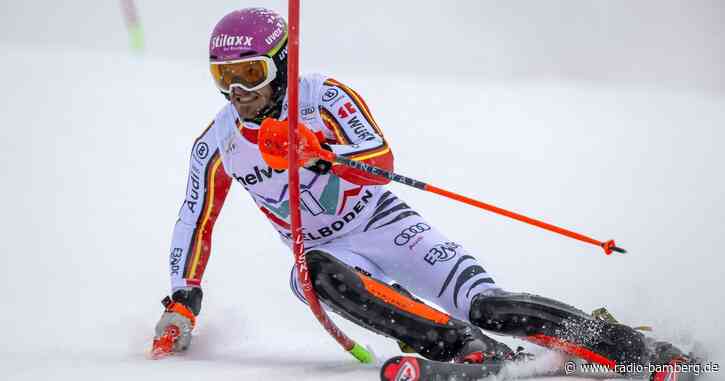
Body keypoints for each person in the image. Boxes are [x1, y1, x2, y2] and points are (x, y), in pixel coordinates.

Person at [153, 7, 696, 380]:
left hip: (386, 225)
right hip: (327, 253)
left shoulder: (322, 97)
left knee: (488, 304)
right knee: (308, 272)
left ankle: (641, 351)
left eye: (251, 73)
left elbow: (380, 161)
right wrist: (182, 303)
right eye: (225, 77)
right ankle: (461, 348)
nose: (239, 92)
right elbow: (193, 221)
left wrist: (315, 149)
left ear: (282, 63)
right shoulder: (217, 144)